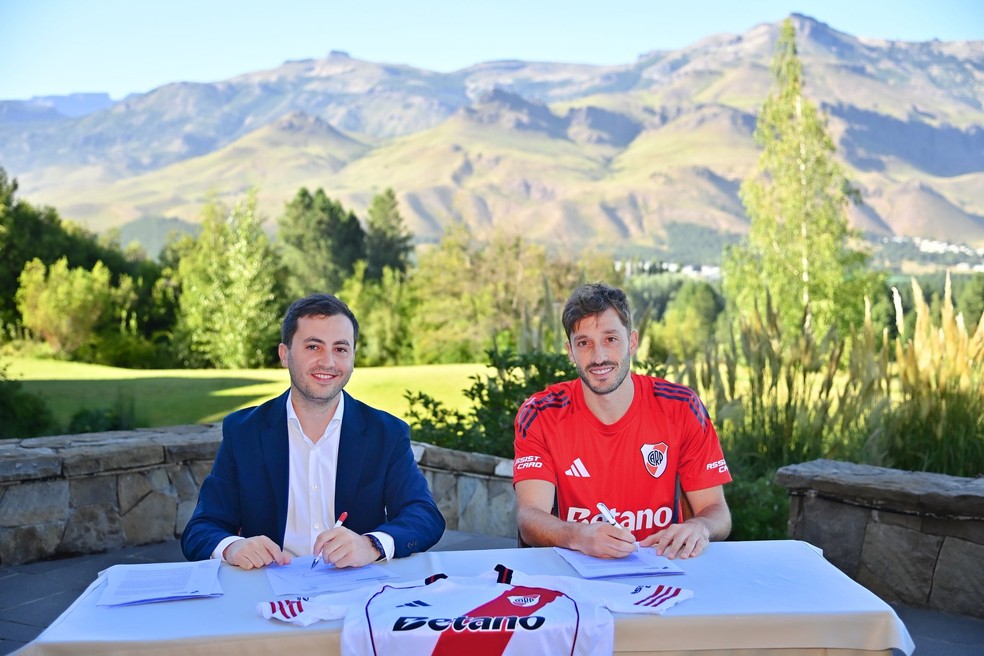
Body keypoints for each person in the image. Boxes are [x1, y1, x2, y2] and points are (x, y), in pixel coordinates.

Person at [182, 293, 445, 569]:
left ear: (353, 356)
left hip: (358, 593)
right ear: (285, 355)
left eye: (340, 349)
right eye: (313, 347)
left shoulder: (386, 434)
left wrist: (371, 545)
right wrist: (232, 547)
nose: (328, 362)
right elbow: (201, 528)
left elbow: (424, 515)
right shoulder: (244, 432)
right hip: (267, 593)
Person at [513, 282, 731, 560]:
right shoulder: (541, 414)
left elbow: (717, 511)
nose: (599, 356)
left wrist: (698, 527)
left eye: (610, 339)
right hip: (580, 570)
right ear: (570, 351)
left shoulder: (681, 407)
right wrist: (578, 536)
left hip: (663, 568)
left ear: (633, 342)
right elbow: (530, 517)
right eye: (584, 343)